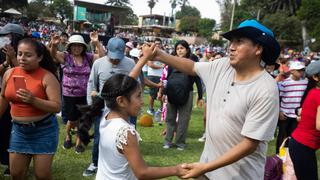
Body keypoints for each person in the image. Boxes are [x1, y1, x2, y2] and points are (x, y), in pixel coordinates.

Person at [142, 19, 280, 179]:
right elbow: (192, 67)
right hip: (206, 171)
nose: (231, 47)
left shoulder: (265, 89)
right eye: (231, 41)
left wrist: (205, 167)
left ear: (258, 48)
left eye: (239, 41)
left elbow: (249, 144)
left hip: (239, 176)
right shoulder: (222, 66)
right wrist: (159, 55)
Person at [79, 49, 187, 179]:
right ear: (121, 101)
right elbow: (142, 172)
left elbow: (127, 83)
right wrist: (176, 170)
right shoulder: (125, 132)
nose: (142, 102)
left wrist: (144, 58)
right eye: (138, 96)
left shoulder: (106, 114)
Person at [0, 38, 61, 180]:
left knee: (42, 175)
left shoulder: (47, 77)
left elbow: (56, 106)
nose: (22, 58)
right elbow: (3, 97)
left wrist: (33, 100)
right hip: (19, 130)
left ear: (39, 57)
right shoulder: (10, 73)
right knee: (16, 174)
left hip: (43, 130)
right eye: (20, 54)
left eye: (28, 55)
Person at [82, 37, 135, 177]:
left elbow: (136, 86)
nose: (115, 60)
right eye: (112, 57)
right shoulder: (98, 63)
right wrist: (91, 105)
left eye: (118, 57)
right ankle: (95, 163)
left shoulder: (130, 63)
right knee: (100, 138)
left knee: (128, 138)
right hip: (103, 107)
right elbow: (91, 84)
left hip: (125, 109)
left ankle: (129, 164)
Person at [50, 32, 105, 153]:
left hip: (85, 94)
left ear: (83, 47)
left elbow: (102, 56)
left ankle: (79, 141)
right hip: (69, 94)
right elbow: (53, 55)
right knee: (72, 119)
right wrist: (54, 45)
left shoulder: (88, 57)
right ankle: (68, 135)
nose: (77, 48)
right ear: (70, 46)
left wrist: (96, 43)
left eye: (79, 46)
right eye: (74, 45)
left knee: (83, 119)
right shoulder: (65, 57)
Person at [160, 40, 203, 150]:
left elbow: (197, 79)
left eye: (182, 48)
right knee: (170, 119)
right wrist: (164, 93)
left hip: (187, 94)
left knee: (183, 120)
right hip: (172, 93)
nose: (180, 50)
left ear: (187, 49)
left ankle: (180, 143)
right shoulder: (172, 62)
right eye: (178, 48)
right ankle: (167, 141)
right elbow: (167, 78)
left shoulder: (193, 62)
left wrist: (201, 96)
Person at [0, 23, 25, 176]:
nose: (4, 39)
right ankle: (5, 159)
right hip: (2, 95)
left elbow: (23, 77)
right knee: (2, 129)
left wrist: (14, 58)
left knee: (14, 131)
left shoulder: (25, 53)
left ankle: (13, 164)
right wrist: (6, 61)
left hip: (18, 96)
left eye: (7, 35)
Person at [289, 60, 320, 180]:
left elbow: (302, 115)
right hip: (302, 146)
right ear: (316, 77)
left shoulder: (312, 91)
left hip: (300, 145)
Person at [276, 61, 307, 153]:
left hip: (297, 116)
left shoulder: (305, 83)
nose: (301, 72)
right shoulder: (284, 83)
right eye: (299, 70)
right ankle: (279, 156)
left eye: (302, 70)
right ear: (292, 71)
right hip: (284, 114)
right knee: (281, 136)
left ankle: (290, 156)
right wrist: (279, 112)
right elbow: (278, 98)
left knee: (293, 137)